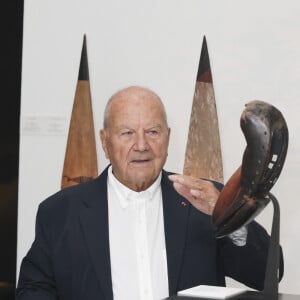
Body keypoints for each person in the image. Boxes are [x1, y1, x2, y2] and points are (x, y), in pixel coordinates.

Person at [16, 86, 283, 300]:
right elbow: (33, 289)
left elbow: (267, 275)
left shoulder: (204, 199)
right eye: (127, 133)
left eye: (152, 132)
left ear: (167, 137)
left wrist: (230, 216)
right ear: (104, 141)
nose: (141, 145)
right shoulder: (61, 211)